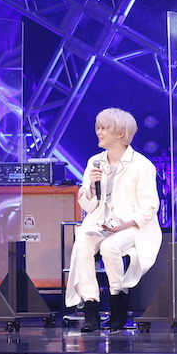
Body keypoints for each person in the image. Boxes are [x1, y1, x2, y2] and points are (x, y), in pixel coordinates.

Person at [65, 108, 162, 333]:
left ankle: (117, 302)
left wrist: (123, 224)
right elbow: (87, 204)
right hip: (101, 222)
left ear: (119, 133)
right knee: (82, 244)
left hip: (133, 226)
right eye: (97, 127)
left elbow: (150, 207)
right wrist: (91, 186)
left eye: (103, 128)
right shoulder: (95, 162)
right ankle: (91, 308)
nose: (98, 132)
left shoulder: (142, 165)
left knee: (110, 247)